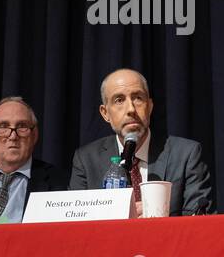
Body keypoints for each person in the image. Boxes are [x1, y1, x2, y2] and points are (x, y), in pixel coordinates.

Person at [69, 68, 214, 215]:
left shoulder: (186, 154)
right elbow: (76, 224)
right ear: (105, 113)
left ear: (149, 106)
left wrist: (156, 212)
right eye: (119, 100)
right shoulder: (86, 160)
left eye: (138, 98)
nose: (131, 109)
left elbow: (199, 221)